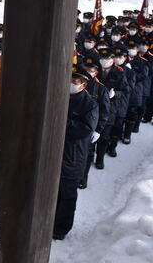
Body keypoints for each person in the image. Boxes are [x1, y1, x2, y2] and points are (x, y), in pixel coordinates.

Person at [53, 66, 98, 241]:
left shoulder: (89, 104)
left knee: (67, 194)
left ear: (84, 85)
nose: (71, 84)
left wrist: (64, 121)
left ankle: (61, 227)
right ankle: (50, 220)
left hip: (73, 155)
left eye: (75, 82)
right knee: (53, 192)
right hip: (55, 151)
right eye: (70, 80)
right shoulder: (60, 96)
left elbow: (86, 129)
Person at [79, 58, 110, 189]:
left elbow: (104, 112)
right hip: (75, 123)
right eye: (85, 70)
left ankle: (83, 178)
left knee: (87, 153)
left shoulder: (100, 89)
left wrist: (98, 130)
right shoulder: (76, 83)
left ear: (96, 73)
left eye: (90, 71)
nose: (86, 73)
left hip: (90, 127)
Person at [95, 48, 128, 169]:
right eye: (102, 58)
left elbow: (126, 91)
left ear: (112, 60)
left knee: (104, 136)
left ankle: (99, 159)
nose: (104, 61)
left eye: (107, 58)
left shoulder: (119, 73)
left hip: (110, 108)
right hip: (95, 106)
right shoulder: (96, 70)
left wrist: (116, 94)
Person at [122, 40, 149, 144]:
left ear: (137, 49)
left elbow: (143, 76)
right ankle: (119, 133)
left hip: (135, 90)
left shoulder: (143, 62)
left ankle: (127, 135)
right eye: (129, 48)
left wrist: (131, 74)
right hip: (124, 90)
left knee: (131, 113)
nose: (130, 50)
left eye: (133, 48)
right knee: (121, 113)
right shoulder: (123, 59)